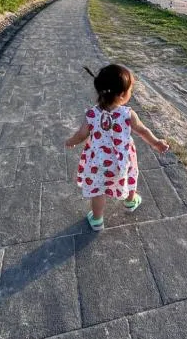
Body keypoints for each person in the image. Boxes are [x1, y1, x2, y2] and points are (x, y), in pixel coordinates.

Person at [65, 64, 169, 231]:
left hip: (98, 161)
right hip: (122, 159)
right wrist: (156, 142)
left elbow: (81, 134)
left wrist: (72, 141)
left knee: (98, 190)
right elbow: (143, 130)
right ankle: (130, 202)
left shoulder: (92, 114)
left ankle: (97, 220)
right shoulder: (127, 113)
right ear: (122, 94)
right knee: (129, 177)